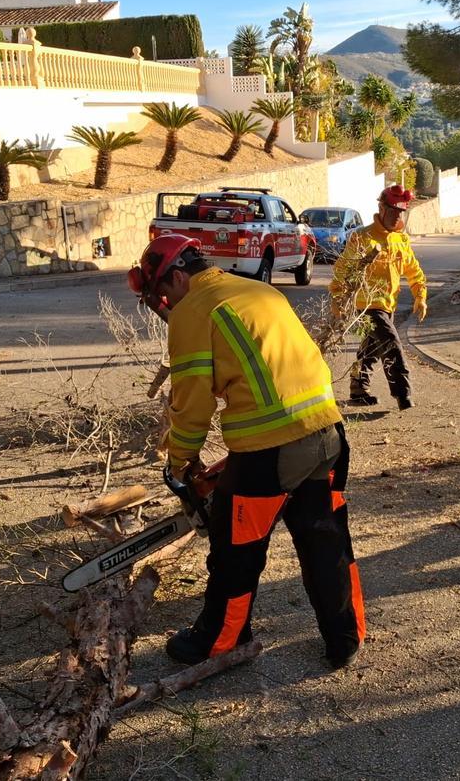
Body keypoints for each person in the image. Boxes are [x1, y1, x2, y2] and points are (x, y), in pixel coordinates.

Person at [127, 234, 366, 669]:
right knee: (325, 540)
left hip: (269, 450)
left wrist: (180, 458)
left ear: (178, 276)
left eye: (163, 293)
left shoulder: (194, 311)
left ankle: (222, 639)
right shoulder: (258, 289)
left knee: (235, 549)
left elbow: (194, 401)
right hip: (327, 434)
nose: (165, 305)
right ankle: (345, 636)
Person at [329, 185, 428, 410]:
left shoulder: (400, 240)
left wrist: (420, 296)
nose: (398, 216)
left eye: (401, 212)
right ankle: (403, 394)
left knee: (370, 350)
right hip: (366, 306)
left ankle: (358, 388)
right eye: (393, 211)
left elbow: (414, 271)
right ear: (382, 208)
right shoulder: (362, 237)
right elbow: (343, 269)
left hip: (387, 305)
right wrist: (337, 297)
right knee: (391, 344)